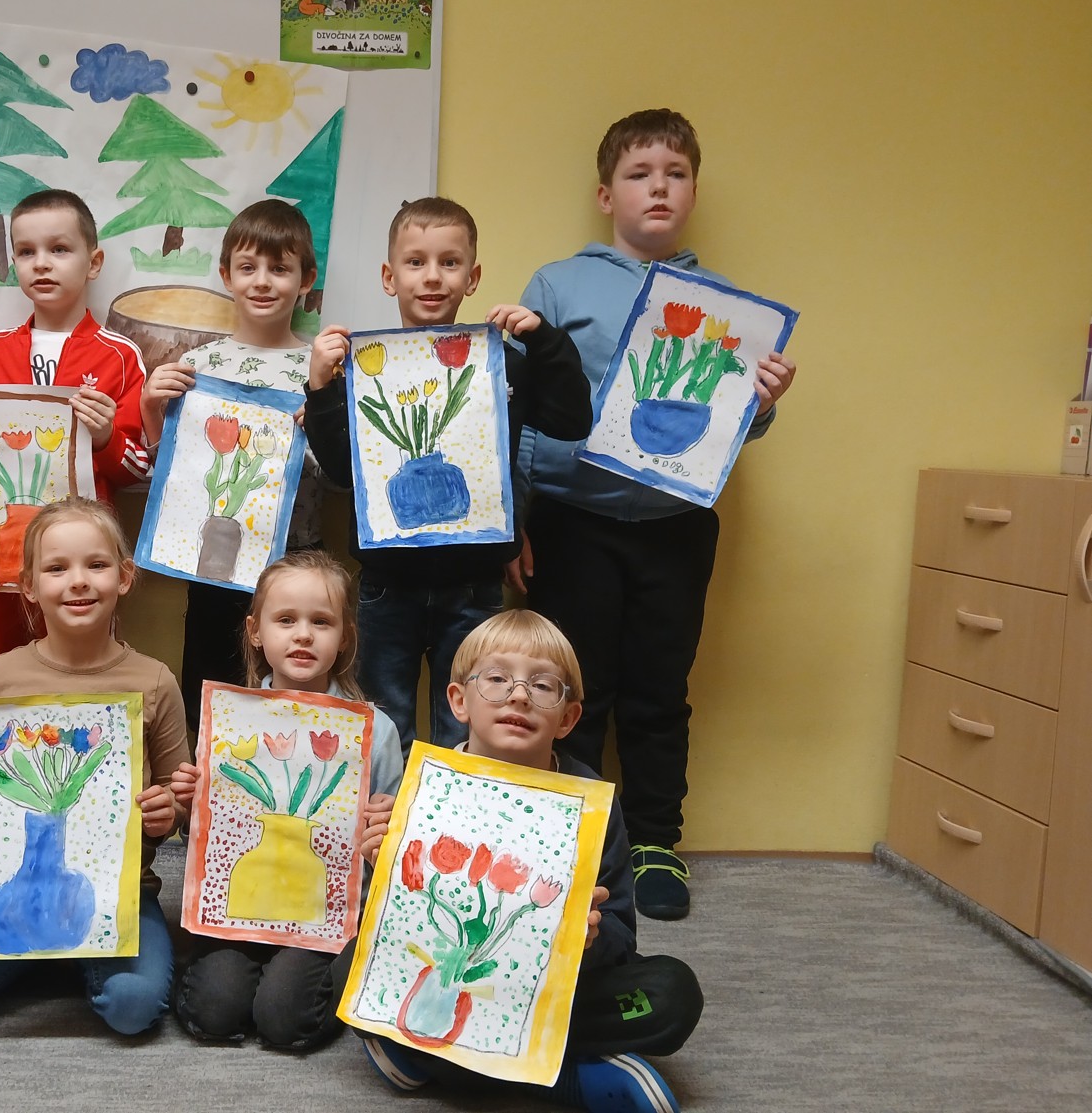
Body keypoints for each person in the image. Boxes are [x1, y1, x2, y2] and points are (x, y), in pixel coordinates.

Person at [516, 109, 797, 920]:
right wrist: (517, 521)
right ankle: (568, 839)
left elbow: (728, 426)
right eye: (639, 174)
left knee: (657, 688)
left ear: (693, 192)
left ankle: (653, 842)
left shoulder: (725, 305)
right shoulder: (558, 284)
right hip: (570, 520)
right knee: (570, 687)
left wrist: (762, 402)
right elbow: (517, 408)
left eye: (674, 174)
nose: (658, 188)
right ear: (607, 194)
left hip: (674, 528)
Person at [357, 610, 703, 1113]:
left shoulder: (591, 803)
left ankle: (420, 1056)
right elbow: (395, 929)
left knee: (670, 995)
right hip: (450, 982)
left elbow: (621, 936)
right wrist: (381, 860)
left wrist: (589, 938)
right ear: (459, 701)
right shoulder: (425, 786)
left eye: (542, 686)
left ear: (568, 718)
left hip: (548, 989)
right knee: (352, 965)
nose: (518, 695)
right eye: (497, 679)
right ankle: (569, 1079)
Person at [0, 498, 188, 1038]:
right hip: (13, 888)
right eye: (56, 568)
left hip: (121, 895)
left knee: (133, 1008)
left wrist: (168, 811)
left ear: (124, 577)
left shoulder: (155, 680)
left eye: (96, 565)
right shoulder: (0, 676)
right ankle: (37, 952)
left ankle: (56, 958)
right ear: (28, 585)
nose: (78, 581)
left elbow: (179, 795)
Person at [305, 196, 591, 757]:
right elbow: (340, 472)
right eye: (415, 262)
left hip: (475, 583)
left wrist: (544, 341)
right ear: (389, 277)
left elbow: (572, 419)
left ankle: (454, 816)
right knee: (382, 725)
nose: (432, 276)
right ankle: (386, 818)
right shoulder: (360, 370)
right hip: (387, 584)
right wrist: (320, 388)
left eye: (450, 262)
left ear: (472, 277)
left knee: (469, 728)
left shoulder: (504, 363)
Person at [0, 191, 149, 727]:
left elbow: (138, 467)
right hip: (1, 556)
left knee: (84, 677)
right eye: (26, 251)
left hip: (83, 561)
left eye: (59, 249)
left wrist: (107, 436)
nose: (42, 263)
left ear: (93, 262)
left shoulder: (119, 354)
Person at [169, 550, 402, 1049]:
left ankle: (354, 960)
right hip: (241, 910)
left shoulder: (375, 731)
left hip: (324, 917)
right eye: (286, 620)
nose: (303, 635)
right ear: (256, 631)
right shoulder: (230, 722)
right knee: (215, 1011)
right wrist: (191, 809)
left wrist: (389, 828)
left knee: (285, 1020)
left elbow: (390, 856)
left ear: (345, 637)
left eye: (321, 622)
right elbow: (207, 845)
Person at [141, 199, 330, 731]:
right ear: (226, 275)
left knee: (295, 703)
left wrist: (320, 418)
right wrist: (151, 408)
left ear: (306, 280)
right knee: (210, 697)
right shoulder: (197, 365)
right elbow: (172, 474)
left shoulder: (319, 368)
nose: (262, 281)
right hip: (215, 561)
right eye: (248, 267)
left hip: (297, 561)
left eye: (280, 268)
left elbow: (340, 473)